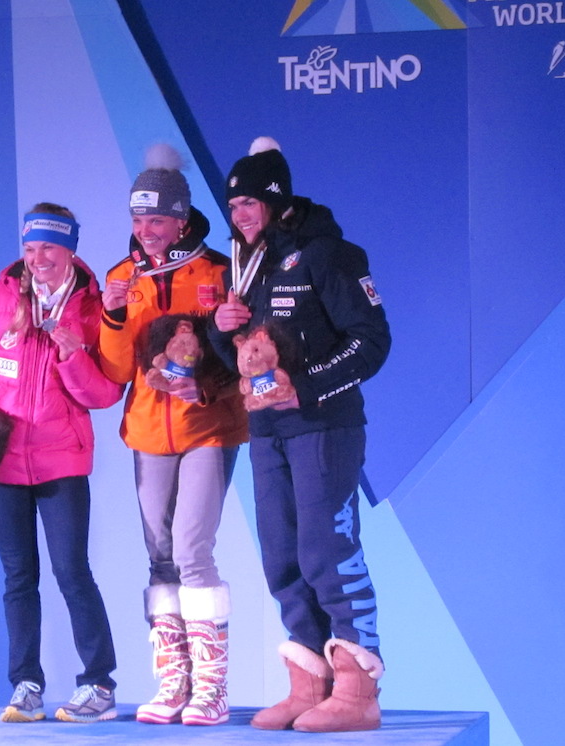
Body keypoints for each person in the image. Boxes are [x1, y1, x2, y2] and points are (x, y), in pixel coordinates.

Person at [210, 137, 391, 733]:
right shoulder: (249, 265)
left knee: (327, 551)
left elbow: (371, 341)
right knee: (282, 557)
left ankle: (357, 691)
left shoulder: (329, 253)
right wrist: (221, 333)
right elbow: (252, 360)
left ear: (276, 198)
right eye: (231, 207)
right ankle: (310, 683)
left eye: (248, 203)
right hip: (268, 431)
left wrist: (305, 386)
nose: (238, 216)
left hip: (323, 426)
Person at [0, 203, 121, 724]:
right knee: (18, 577)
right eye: (29, 247)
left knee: (72, 573)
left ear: (69, 249)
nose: (36, 257)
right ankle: (26, 685)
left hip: (61, 459)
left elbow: (107, 392)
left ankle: (98, 685)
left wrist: (72, 355)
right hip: (1, 462)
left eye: (47, 246)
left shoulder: (92, 307)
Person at [99, 145, 248, 726]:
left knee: (190, 550)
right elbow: (115, 372)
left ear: (182, 219)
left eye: (156, 219)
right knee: (159, 556)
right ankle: (173, 684)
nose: (146, 230)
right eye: (137, 220)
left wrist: (209, 390)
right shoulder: (121, 278)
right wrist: (112, 317)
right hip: (146, 433)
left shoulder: (219, 271)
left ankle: (211, 690)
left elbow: (245, 359)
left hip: (208, 427)